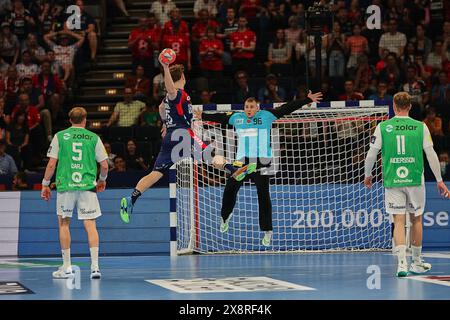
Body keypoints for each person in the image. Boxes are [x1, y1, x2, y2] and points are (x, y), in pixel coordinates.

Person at [194, 91, 323, 246]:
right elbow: (220, 117)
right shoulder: (237, 118)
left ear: (257, 107)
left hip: (261, 162)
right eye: (246, 107)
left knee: (263, 195)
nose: (249, 109)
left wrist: (306, 99)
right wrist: (203, 115)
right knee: (230, 189)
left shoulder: (267, 116)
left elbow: (287, 108)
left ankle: (267, 230)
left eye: (252, 107)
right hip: (241, 162)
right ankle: (225, 216)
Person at [364, 92, 450, 277]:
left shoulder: (383, 127)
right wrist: (439, 180)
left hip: (393, 178)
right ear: (410, 106)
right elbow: (431, 154)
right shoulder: (421, 127)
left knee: (398, 220)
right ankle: (416, 262)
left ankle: (402, 264)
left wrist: (368, 174)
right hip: (415, 179)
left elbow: (371, 154)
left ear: (394, 107)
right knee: (416, 219)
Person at [120, 56, 194, 223]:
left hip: (169, 138)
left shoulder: (166, 100)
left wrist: (165, 123)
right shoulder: (177, 93)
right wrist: (165, 67)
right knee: (207, 155)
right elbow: (170, 90)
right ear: (183, 77)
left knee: (156, 173)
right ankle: (233, 170)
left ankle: (132, 198)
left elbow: (161, 108)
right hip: (181, 137)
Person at [41, 107, 109, 280]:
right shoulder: (94, 138)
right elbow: (105, 165)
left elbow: (51, 164)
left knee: (64, 224)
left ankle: (67, 268)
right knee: (90, 225)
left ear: (70, 120)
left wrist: (45, 184)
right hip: (87, 186)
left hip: (66, 187)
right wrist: (102, 179)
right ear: (85, 119)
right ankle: (95, 268)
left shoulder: (60, 136)